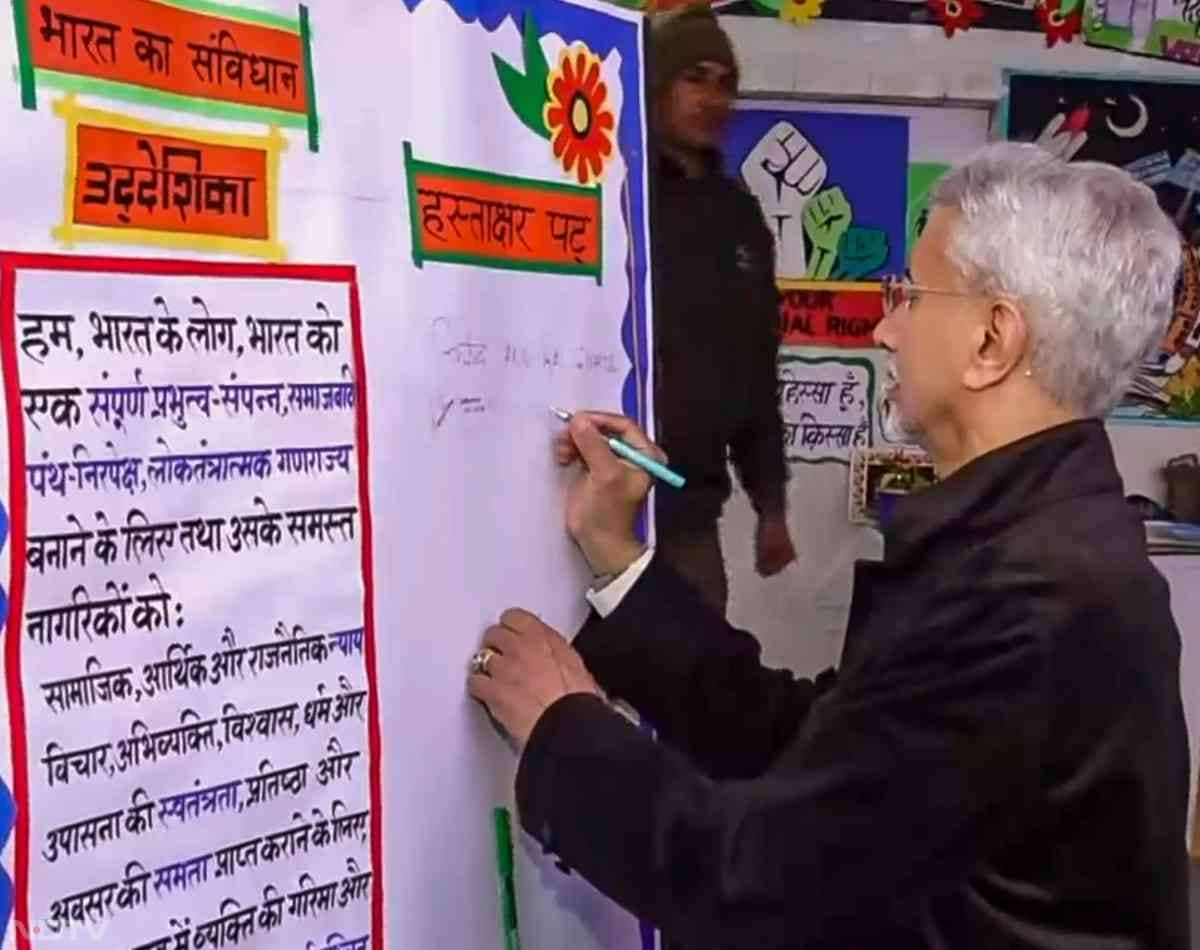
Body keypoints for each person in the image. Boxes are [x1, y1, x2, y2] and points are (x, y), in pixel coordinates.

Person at [468, 143, 1193, 948]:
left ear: (994, 341)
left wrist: (563, 730)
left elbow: (751, 881)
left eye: (909, 296)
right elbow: (813, 750)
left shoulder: (1029, 595)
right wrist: (618, 559)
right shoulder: (1042, 538)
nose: (884, 328)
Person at [645, 6, 795, 614]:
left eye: (725, 83)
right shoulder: (614, 191)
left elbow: (756, 370)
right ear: (657, 85)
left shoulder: (739, 216)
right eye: (695, 77)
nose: (712, 98)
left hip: (690, 521)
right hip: (594, 504)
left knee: (698, 695)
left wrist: (772, 505)